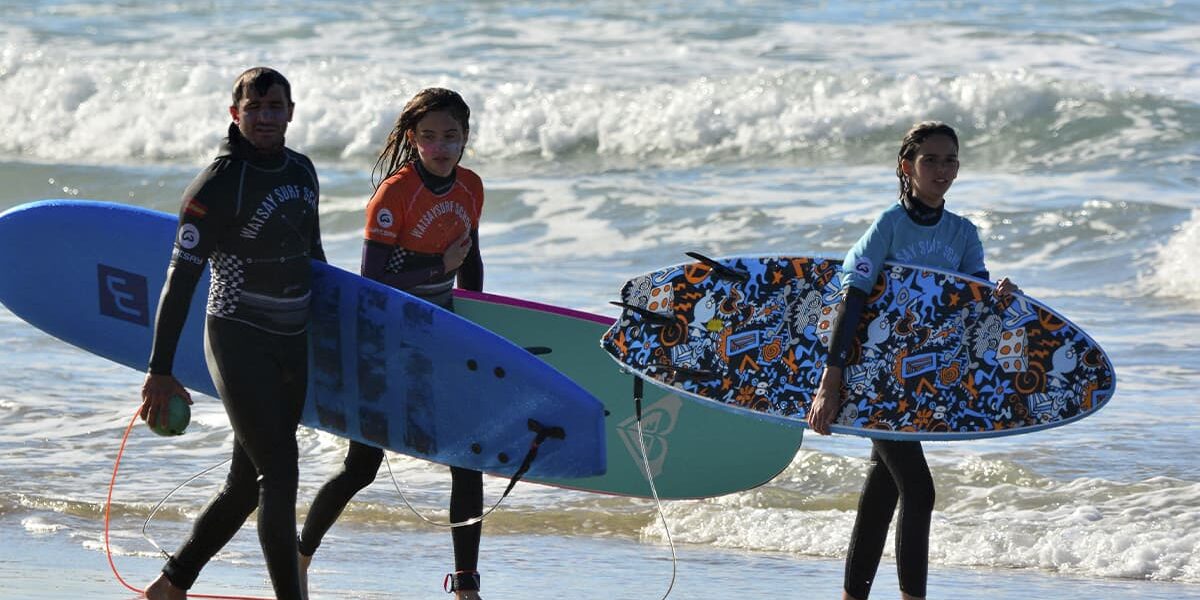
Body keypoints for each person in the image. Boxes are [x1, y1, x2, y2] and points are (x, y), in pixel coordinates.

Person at [806, 121, 1018, 600]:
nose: (942, 169)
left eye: (951, 160)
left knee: (882, 493)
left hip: (919, 383)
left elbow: (974, 304)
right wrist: (829, 382)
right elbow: (851, 302)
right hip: (871, 376)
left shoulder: (963, 233)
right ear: (908, 166)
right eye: (930, 160)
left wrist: (1001, 296)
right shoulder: (888, 225)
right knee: (919, 490)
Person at [139, 66, 324, 600]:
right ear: (234, 114)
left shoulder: (303, 170)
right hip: (238, 336)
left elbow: (314, 259)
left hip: (293, 339)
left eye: (275, 107)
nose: (265, 117)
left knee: (246, 485)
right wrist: (159, 370)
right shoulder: (217, 184)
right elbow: (180, 281)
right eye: (254, 108)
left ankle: (170, 586)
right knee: (280, 473)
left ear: (291, 112)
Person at [297, 87, 486, 600]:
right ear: (413, 139)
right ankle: (299, 556)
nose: (441, 147)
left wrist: (477, 329)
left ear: (465, 136)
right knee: (362, 467)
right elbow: (372, 283)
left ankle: (466, 586)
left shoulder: (471, 187)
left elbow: (470, 261)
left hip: (439, 335)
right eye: (429, 137)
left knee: (467, 456)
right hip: (383, 340)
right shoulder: (394, 195)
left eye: (451, 136)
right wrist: (439, 267)